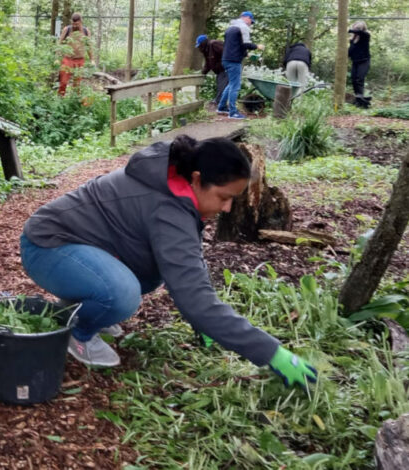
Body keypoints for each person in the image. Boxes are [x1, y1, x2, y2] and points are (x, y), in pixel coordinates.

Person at [20, 136, 318, 390]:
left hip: (81, 244)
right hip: (47, 246)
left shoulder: (175, 184)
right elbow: (193, 295)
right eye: (224, 197)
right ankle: (77, 332)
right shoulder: (169, 209)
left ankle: (88, 303)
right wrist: (271, 353)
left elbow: (187, 268)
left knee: (150, 276)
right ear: (198, 178)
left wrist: (206, 319)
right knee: (121, 294)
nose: (227, 208)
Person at [217, 11, 265, 120]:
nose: (250, 24)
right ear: (246, 18)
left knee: (230, 85)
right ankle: (233, 113)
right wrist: (257, 46)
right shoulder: (243, 27)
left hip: (226, 59)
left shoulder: (230, 28)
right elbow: (246, 44)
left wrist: (246, 54)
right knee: (235, 86)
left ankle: (222, 107)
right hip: (234, 61)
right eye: (250, 21)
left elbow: (235, 45)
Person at [57, 13, 93, 96]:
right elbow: (60, 44)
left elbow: (89, 46)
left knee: (77, 84)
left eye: (77, 24)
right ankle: (59, 100)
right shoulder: (67, 29)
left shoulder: (86, 31)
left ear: (81, 22)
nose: (75, 26)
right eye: (73, 24)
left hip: (80, 60)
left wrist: (92, 59)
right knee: (63, 82)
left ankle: (74, 102)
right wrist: (57, 57)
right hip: (68, 59)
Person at [195, 34, 228, 106]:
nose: (199, 48)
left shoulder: (214, 44)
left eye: (200, 45)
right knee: (220, 85)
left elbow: (226, 53)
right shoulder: (206, 50)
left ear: (203, 43)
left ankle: (220, 103)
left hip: (226, 68)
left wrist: (223, 64)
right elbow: (208, 63)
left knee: (222, 86)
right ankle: (219, 102)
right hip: (219, 70)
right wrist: (203, 73)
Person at [348, 21, 371, 109]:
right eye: (355, 28)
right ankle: (359, 98)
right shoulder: (353, 40)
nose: (356, 30)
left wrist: (351, 30)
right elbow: (350, 51)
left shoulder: (365, 36)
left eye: (358, 28)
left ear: (362, 29)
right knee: (353, 79)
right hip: (355, 62)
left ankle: (360, 96)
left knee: (359, 78)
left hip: (364, 61)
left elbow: (361, 33)